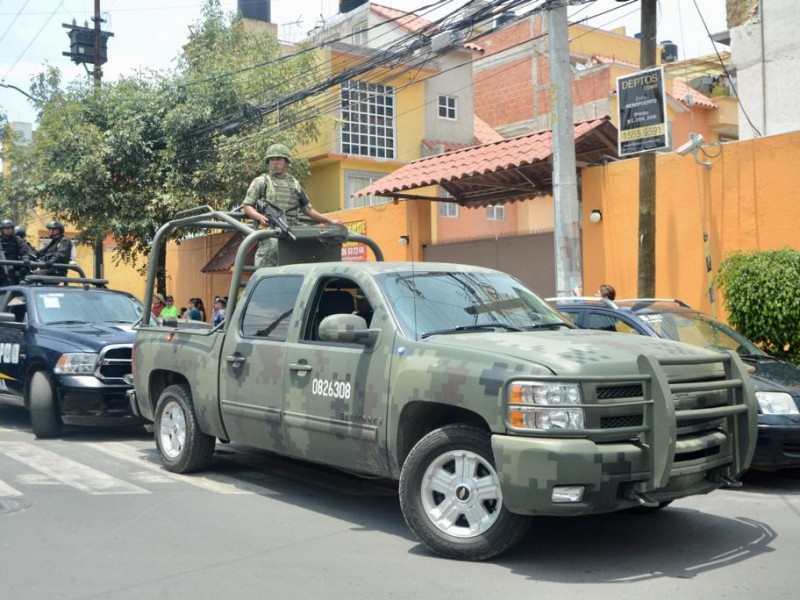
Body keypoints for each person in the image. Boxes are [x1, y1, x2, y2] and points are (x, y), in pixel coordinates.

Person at [242, 143, 342, 268]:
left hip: (291, 231)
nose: (275, 162)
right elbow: (247, 206)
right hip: (270, 232)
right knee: (269, 257)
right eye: (272, 159)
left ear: (286, 162)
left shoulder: (294, 184)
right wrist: (259, 217)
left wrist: (330, 221)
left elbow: (308, 210)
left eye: (278, 159)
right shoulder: (262, 181)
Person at [0, 218, 36, 285]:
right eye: (6, 229)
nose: (8, 230)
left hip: (14, 267)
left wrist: (26, 257)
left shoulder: (17, 239)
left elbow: (25, 250)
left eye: (10, 228)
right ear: (2, 230)